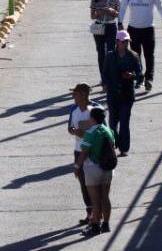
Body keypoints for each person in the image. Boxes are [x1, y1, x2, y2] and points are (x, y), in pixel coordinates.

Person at [118, 0, 162, 91]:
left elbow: (161, 8)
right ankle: (139, 78)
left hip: (148, 29)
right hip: (133, 29)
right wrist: (120, 23)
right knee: (135, 56)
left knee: (149, 55)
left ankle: (149, 79)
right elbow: (122, 8)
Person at [77, 106, 116, 236]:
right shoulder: (108, 130)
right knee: (105, 196)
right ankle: (106, 224)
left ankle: (95, 226)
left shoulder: (90, 133)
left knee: (95, 199)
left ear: (92, 118)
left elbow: (84, 153)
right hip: (108, 168)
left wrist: (77, 166)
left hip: (93, 168)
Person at [103, 31, 141, 155]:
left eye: (127, 41)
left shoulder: (134, 56)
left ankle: (124, 148)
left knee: (124, 122)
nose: (125, 43)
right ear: (117, 42)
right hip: (113, 94)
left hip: (127, 95)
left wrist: (132, 75)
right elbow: (105, 73)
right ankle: (114, 144)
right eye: (123, 41)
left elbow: (140, 75)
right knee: (112, 123)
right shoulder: (110, 56)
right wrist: (105, 84)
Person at [68, 83, 100, 225]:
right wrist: (73, 130)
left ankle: (98, 215)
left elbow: (101, 128)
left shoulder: (96, 109)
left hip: (92, 152)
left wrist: (84, 132)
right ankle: (90, 213)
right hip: (78, 151)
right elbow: (70, 127)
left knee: (94, 184)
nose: (73, 96)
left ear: (84, 95)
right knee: (83, 184)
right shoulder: (73, 109)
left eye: (75, 93)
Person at [89, 0, 119, 78]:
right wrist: (98, 13)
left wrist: (112, 11)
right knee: (101, 52)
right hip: (98, 25)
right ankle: (103, 76)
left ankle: (112, 74)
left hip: (111, 25)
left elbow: (119, 14)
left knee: (111, 51)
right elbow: (92, 16)